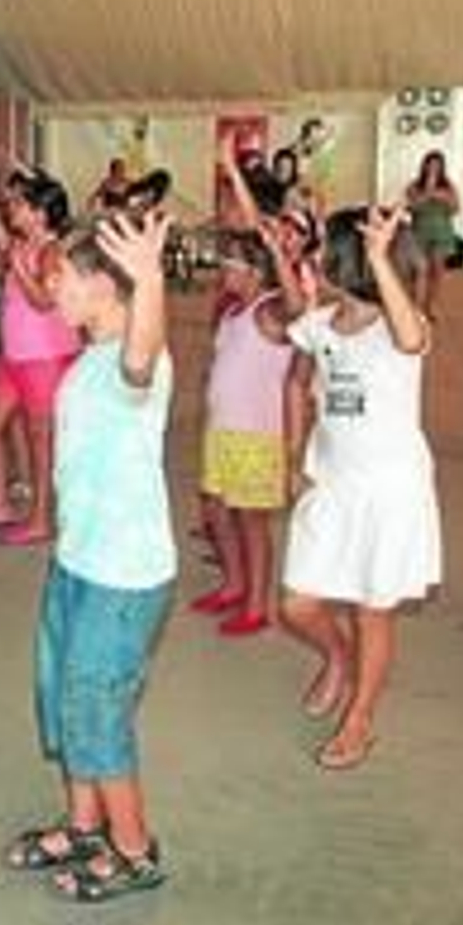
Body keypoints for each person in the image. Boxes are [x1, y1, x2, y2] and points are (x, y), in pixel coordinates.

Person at [2, 212, 174, 902]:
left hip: (123, 575)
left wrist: (153, 276)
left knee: (96, 708)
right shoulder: (89, 355)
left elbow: (141, 360)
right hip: (78, 561)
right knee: (66, 697)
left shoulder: (139, 358)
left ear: (105, 284)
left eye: (63, 276)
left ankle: (133, 850)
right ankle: (82, 826)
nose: (52, 288)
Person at [280, 206, 439, 771]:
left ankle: (360, 717)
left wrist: (379, 258)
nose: (315, 256)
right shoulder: (321, 323)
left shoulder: (400, 324)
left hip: (390, 490)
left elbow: (411, 334)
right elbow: (294, 357)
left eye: (324, 248)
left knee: (374, 610)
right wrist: (294, 455)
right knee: (299, 603)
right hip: (332, 482)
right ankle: (338, 658)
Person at [0, 168, 81, 546]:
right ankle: (0, 504)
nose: (12, 209)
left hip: (44, 357)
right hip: (16, 357)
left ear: (40, 213)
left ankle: (40, 518)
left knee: (40, 439)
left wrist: (18, 268)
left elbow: (45, 301)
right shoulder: (24, 243)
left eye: (20, 204)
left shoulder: (51, 251)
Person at [188, 231, 297, 636]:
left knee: (251, 522)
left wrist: (278, 253)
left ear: (253, 270)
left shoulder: (270, 312)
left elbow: (299, 307)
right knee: (216, 511)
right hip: (222, 433)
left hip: (256, 437)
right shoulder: (232, 313)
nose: (221, 269)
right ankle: (233, 583)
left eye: (228, 263)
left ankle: (257, 606)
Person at [405, 151, 461, 318]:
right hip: (419, 231)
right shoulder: (414, 185)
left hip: (441, 231)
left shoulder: (448, 186)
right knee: (419, 270)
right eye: (430, 164)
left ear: (442, 167)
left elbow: (455, 209)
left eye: (437, 164)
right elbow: (411, 208)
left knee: (437, 271)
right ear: (424, 165)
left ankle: (432, 304)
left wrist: (442, 196)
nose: (433, 167)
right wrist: (427, 194)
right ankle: (416, 306)